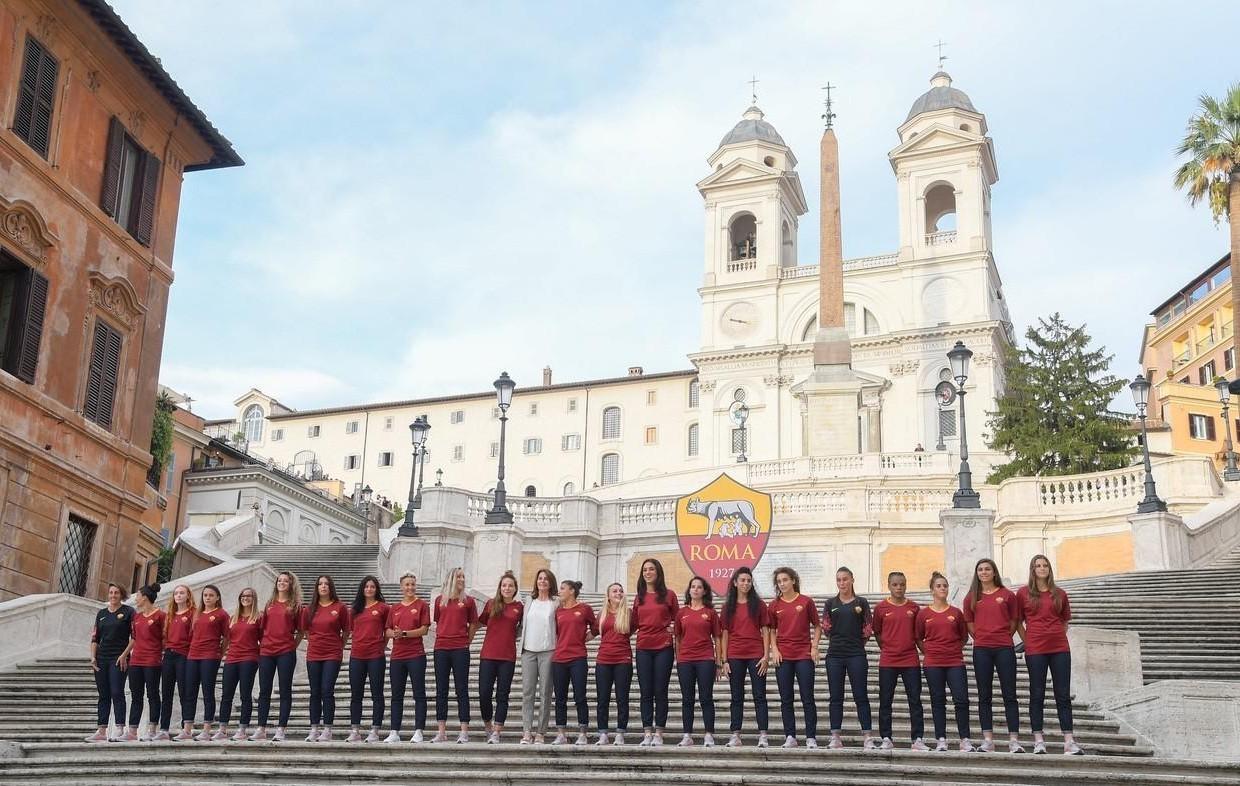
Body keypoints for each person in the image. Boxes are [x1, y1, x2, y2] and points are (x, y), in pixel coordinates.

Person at [1017, 555, 1081, 755]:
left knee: (1062, 695)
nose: (1042, 568)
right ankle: (1038, 740)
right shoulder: (1023, 593)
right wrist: (1028, 642)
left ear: (1049, 569)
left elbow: (1064, 621)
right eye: (1038, 565)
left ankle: (1069, 741)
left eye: (1045, 565)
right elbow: (1018, 622)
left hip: (1060, 648)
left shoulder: (1060, 593)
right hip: (1035, 649)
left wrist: (1056, 635)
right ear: (1032, 569)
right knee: (1037, 694)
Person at [963, 557, 1022, 753]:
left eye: (987, 569)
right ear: (977, 573)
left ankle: (1013, 740)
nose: (984, 572)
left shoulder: (1007, 595)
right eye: (980, 569)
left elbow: (1014, 620)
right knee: (984, 695)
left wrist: (1004, 635)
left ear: (994, 572)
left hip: (1004, 648)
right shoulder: (971, 597)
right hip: (982, 650)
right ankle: (988, 740)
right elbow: (969, 623)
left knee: (1010, 695)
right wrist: (979, 636)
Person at [916, 571, 974, 752]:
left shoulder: (956, 613)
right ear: (932, 590)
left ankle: (965, 739)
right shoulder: (923, 614)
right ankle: (941, 738)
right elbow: (918, 637)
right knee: (938, 700)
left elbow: (963, 637)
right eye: (939, 586)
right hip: (933, 663)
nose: (942, 588)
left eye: (945, 585)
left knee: (961, 700)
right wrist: (930, 652)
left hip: (955, 662)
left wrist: (954, 650)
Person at [872, 571, 927, 751]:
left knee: (915, 700)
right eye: (895, 584)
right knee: (885, 700)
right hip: (888, 660)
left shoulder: (914, 608)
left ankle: (917, 738)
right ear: (888, 585)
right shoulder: (880, 608)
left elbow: (919, 633)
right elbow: (878, 633)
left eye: (902, 584)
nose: (899, 588)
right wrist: (888, 647)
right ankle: (886, 737)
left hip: (910, 659)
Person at [823, 566, 875, 750]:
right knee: (835, 697)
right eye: (839, 580)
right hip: (835, 655)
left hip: (856, 654)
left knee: (861, 695)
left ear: (852, 580)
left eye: (845, 579)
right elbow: (826, 628)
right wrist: (840, 640)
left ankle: (868, 736)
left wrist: (856, 642)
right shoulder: (830, 603)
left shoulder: (862, 602)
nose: (842, 583)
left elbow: (868, 627)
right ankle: (835, 736)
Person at [769, 566, 821, 749]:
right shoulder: (774, 605)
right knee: (786, 698)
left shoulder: (806, 602)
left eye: (785, 580)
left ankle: (810, 737)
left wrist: (814, 646)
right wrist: (774, 649)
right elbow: (771, 630)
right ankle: (790, 735)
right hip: (783, 656)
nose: (782, 584)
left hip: (803, 655)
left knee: (808, 697)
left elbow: (817, 625)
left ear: (793, 580)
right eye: (779, 581)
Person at [720, 566, 771, 748]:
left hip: (756, 655)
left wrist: (766, 656)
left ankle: (763, 735)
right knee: (736, 697)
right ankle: (735, 735)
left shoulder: (759, 605)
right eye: (742, 580)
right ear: (735, 583)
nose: (746, 583)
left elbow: (765, 631)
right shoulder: (728, 607)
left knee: (760, 696)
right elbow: (724, 634)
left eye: (749, 580)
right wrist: (724, 660)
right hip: (735, 655)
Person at [250, 571, 303, 742]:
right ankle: (261, 728)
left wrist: (291, 645)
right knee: (264, 690)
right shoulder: (269, 604)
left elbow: (301, 631)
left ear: (290, 584)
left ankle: (281, 729)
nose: (281, 583)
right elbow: (263, 628)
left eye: (285, 581)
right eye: (279, 580)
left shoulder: (295, 605)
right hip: (266, 652)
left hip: (285, 652)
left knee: (285, 691)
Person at [633, 558, 678, 746]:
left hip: (663, 648)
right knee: (645, 692)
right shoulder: (639, 597)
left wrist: (673, 629)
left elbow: (680, 619)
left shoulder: (669, 595)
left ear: (658, 572)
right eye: (645, 570)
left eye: (651, 569)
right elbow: (633, 622)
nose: (648, 572)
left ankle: (659, 731)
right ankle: (647, 732)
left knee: (660, 690)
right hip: (643, 646)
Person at [674, 576, 722, 747]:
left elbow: (717, 638)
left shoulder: (710, 613)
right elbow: (678, 638)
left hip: (706, 659)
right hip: (685, 660)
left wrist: (719, 662)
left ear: (704, 591)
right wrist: (679, 659)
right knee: (687, 699)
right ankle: (687, 735)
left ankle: (709, 734)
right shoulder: (681, 613)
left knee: (706, 698)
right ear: (689, 590)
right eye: (692, 586)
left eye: (699, 587)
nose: (695, 589)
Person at [432, 566, 478, 743]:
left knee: (462, 689)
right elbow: (438, 621)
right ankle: (441, 731)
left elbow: (473, 624)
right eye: (459, 576)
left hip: (460, 648)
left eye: (463, 576)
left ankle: (464, 731)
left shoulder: (468, 601)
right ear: (451, 578)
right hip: (441, 647)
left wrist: (467, 641)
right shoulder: (439, 601)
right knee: (441, 689)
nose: (462, 579)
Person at [478, 571, 523, 744]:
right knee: (484, 693)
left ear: (515, 589)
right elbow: (478, 622)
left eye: (510, 585)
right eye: (504, 585)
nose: (507, 588)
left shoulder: (519, 607)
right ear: (500, 588)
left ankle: (497, 731)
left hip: (507, 656)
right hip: (488, 654)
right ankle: (488, 725)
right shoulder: (491, 604)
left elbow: (523, 628)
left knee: (502, 695)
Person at [385, 572, 430, 743]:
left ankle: (419, 731)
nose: (410, 587)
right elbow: (387, 630)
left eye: (412, 584)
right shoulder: (394, 607)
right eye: (407, 584)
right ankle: (394, 731)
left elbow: (424, 629)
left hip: (416, 655)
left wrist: (403, 633)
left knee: (419, 693)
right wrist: (394, 634)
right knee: (396, 695)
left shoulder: (421, 605)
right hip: (397, 656)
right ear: (401, 587)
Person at [303, 574, 349, 741]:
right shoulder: (309, 609)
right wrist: (315, 641)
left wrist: (338, 646)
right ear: (316, 587)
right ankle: (314, 728)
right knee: (315, 691)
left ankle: (327, 729)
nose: (323, 586)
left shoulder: (340, 607)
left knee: (327, 690)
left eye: (326, 584)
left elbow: (346, 631)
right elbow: (306, 631)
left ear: (331, 587)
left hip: (332, 653)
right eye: (320, 584)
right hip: (314, 653)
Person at [551, 579, 597, 745]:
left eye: (562, 588)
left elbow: (596, 628)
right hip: (559, 659)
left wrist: (583, 639)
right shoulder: (558, 611)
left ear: (571, 591)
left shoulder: (584, 609)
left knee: (580, 696)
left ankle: (583, 733)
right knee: (560, 698)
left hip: (578, 657)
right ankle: (561, 734)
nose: (559, 591)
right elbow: (555, 633)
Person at [87, 583, 133, 742]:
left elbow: (134, 637)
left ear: (122, 595)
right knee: (103, 694)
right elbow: (95, 638)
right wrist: (93, 657)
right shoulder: (101, 614)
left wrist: (124, 655)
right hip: (101, 658)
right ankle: (101, 730)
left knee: (116, 692)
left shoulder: (128, 612)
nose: (113, 595)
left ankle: (120, 728)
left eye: (116, 593)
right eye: (111, 592)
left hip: (118, 657)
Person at [184, 584, 229, 741]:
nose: (207, 598)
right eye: (205, 595)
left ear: (217, 597)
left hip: (210, 656)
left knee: (207, 692)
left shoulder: (222, 614)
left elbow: (227, 637)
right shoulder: (197, 614)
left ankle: (206, 729)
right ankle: (187, 729)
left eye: (211, 595)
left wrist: (219, 653)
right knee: (189, 692)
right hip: (193, 655)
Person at [347, 575, 389, 743]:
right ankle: (355, 730)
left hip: (375, 655)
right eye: (366, 586)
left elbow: (387, 631)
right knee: (356, 694)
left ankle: (375, 730)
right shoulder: (355, 609)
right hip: (357, 655)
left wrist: (381, 645)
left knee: (376, 693)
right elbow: (351, 631)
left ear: (377, 589)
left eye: (372, 586)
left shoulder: (384, 608)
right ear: (362, 589)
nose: (369, 589)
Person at [215, 587, 261, 741]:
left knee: (245, 695)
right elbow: (227, 639)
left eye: (249, 596)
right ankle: (222, 729)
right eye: (243, 595)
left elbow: (264, 638)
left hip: (249, 658)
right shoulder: (233, 618)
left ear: (254, 598)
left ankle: (242, 730)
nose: (245, 598)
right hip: (231, 658)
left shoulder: (258, 618)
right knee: (226, 695)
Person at [519, 568, 558, 745]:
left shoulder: (556, 602)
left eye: (546, 579)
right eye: (540, 578)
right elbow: (521, 625)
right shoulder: (529, 601)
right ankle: (527, 731)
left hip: (548, 650)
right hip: (528, 651)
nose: (542, 581)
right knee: (527, 692)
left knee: (545, 692)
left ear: (551, 583)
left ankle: (541, 732)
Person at [594, 582, 633, 746]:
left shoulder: (629, 613)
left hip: (623, 659)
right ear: (608, 595)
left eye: (621, 591)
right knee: (602, 699)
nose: (618, 593)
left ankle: (620, 733)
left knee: (622, 698)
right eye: (614, 591)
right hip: (603, 659)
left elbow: (641, 629)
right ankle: (603, 733)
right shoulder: (602, 614)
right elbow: (592, 633)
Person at [156, 584, 196, 742]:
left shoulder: (193, 613)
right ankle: (164, 729)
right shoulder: (170, 615)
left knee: (185, 693)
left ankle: (186, 729)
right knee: (166, 693)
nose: (178, 595)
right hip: (169, 655)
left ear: (188, 596)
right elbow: (164, 636)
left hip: (184, 656)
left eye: (182, 593)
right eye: (176, 593)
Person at [126, 583, 164, 742]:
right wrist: (125, 654)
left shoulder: (161, 616)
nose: (136, 599)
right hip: (136, 660)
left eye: (138, 596)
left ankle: (152, 729)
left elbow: (166, 638)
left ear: (145, 598)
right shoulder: (137, 617)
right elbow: (134, 638)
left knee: (153, 694)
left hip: (152, 660)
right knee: (136, 695)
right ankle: (132, 731)